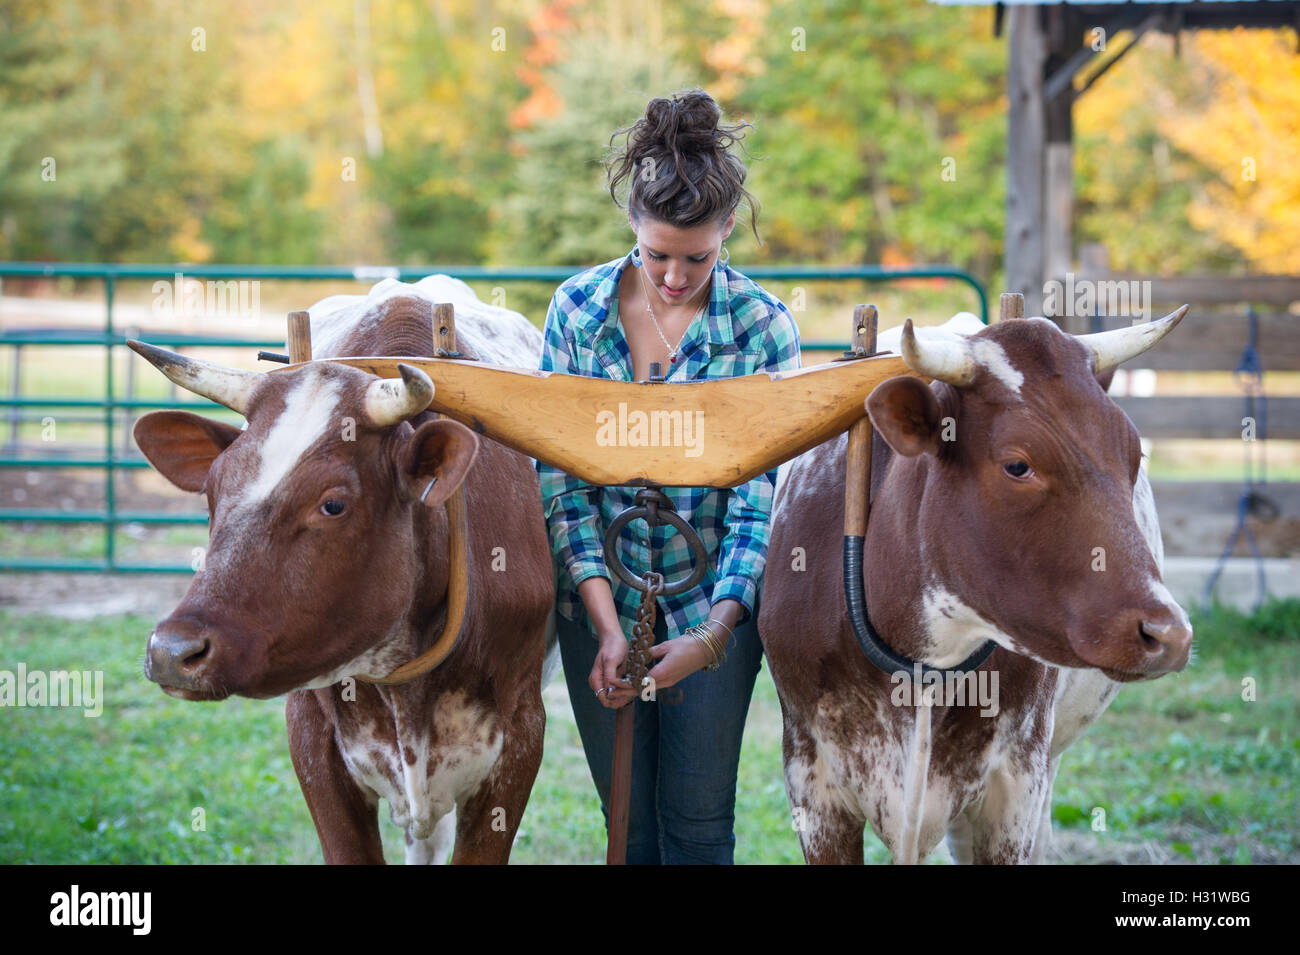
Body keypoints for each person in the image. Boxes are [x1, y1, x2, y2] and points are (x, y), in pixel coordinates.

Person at [536, 87, 802, 864]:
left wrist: (714, 636)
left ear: (727, 231)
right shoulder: (577, 311)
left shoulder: (761, 327)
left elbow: (760, 501)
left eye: (698, 257)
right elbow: (564, 482)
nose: (675, 277)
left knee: (695, 829)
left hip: (713, 600)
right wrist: (606, 622)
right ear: (631, 228)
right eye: (657, 255)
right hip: (598, 598)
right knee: (628, 828)